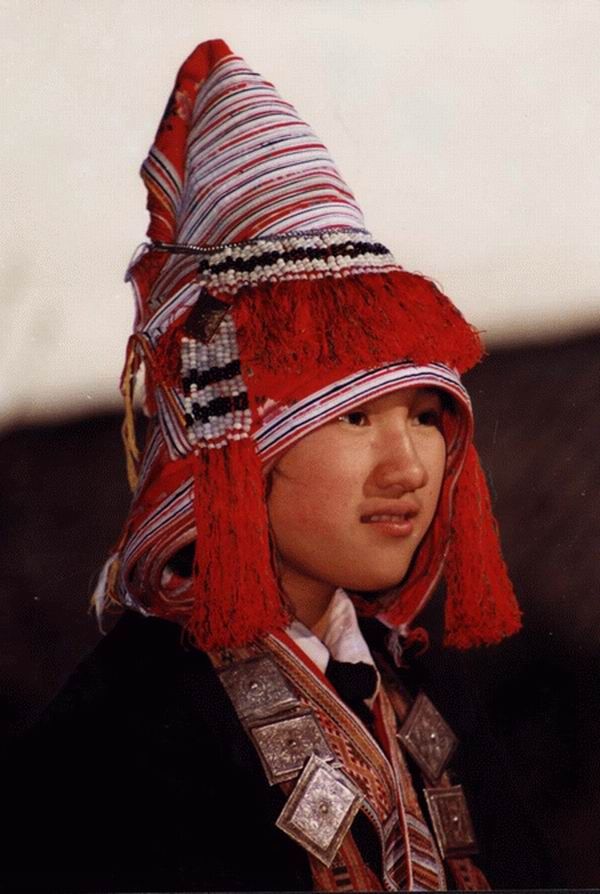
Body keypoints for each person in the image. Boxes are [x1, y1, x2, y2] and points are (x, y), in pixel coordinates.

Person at [4, 39, 551, 892]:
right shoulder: (128, 729)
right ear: (234, 445)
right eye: (354, 417)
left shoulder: (419, 682)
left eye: (424, 416)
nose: (409, 468)